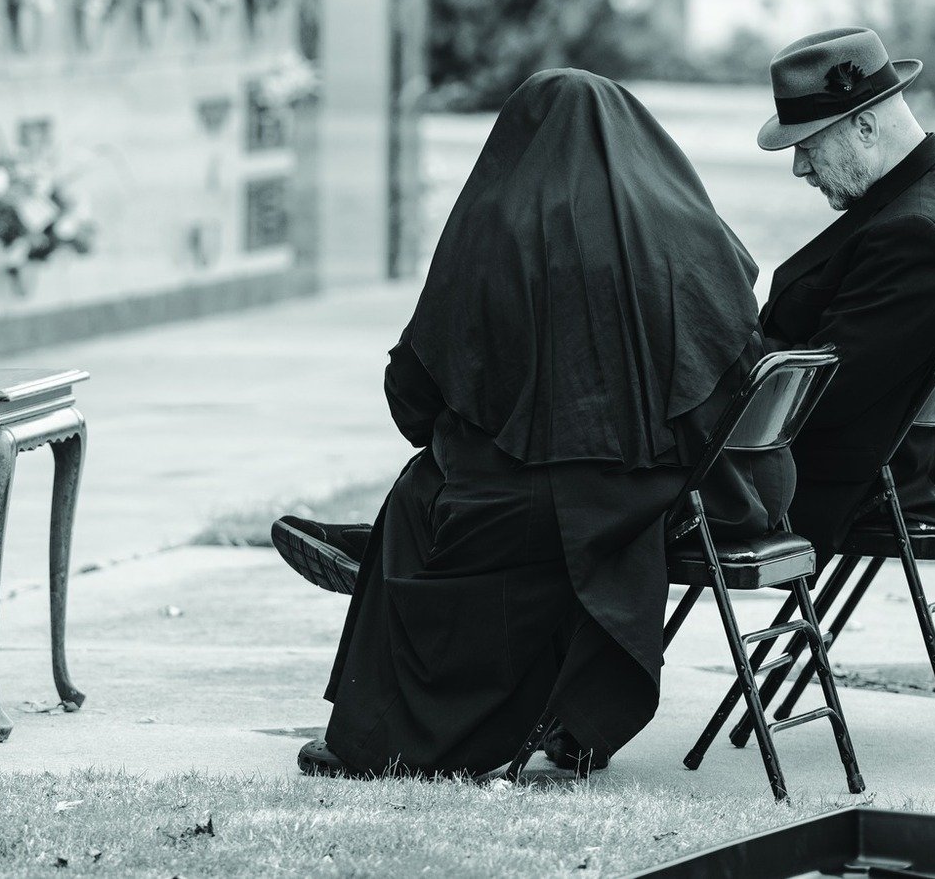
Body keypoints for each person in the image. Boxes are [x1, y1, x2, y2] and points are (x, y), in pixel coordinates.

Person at [284, 69, 786, 781]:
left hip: (530, 510)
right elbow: (732, 367)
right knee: (485, 496)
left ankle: (384, 738)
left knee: (417, 501)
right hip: (655, 502)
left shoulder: (497, 227)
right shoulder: (689, 230)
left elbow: (415, 395)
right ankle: (568, 717)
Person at [753, 27, 935, 553]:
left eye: (807, 145)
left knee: (609, 497)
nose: (800, 167)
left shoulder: (917, 231)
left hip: (848, 484)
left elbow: (821, 395)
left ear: (865, 126)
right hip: (884, 464)